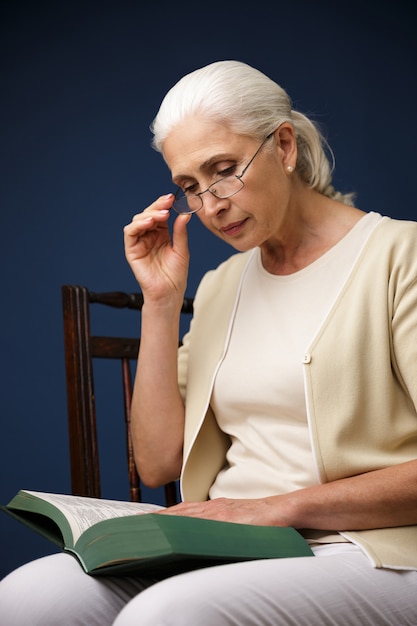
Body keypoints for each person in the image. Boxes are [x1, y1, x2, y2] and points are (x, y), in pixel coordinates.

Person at [1, 59, 417, 625]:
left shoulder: (399, 256)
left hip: (370, 549)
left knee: (166, 616)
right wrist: (161, 302)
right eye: (189, 187)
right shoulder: (223, 285)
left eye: (223, 169)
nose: (212, 204)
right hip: (232, 543)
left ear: (286, 146)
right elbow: (156, 462)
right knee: (27, 596)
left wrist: (275, 509)